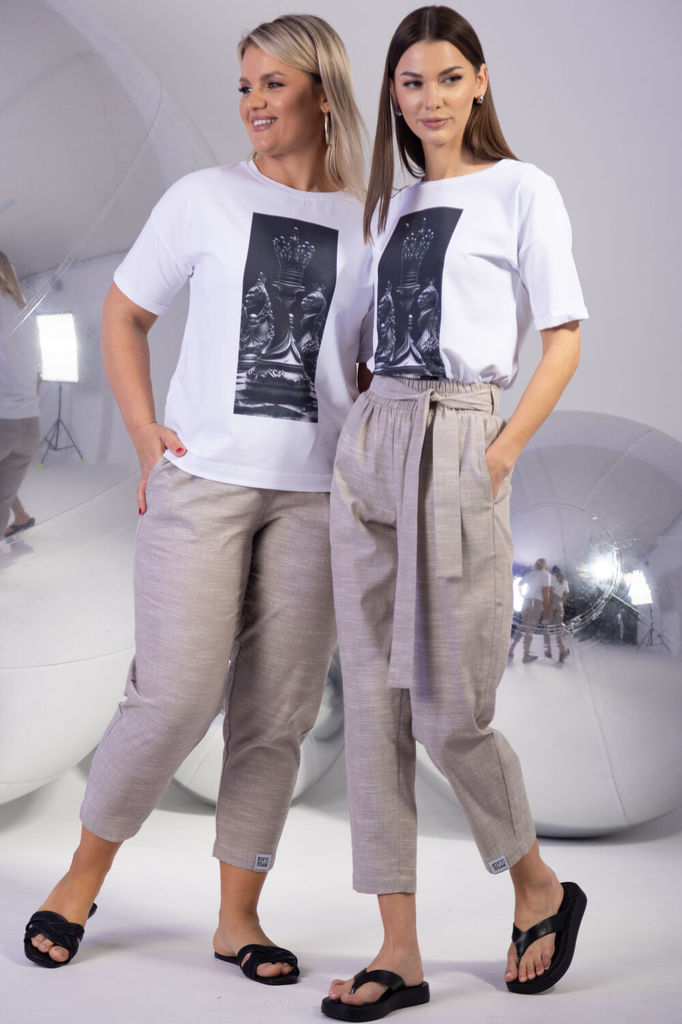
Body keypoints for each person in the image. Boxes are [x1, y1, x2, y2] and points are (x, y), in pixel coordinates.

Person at [23, 14, 372, 983]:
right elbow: (125, 313)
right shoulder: (202, 199)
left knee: (276, 714)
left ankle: (237, 918)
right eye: (245, 86)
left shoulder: (369, 222)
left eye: (274, 84)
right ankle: (81, 879)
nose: (254, 104)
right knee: (171, 698)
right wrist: (145, 432)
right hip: (203, 487)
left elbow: (367, 365)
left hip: (313, 498)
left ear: (323, 94)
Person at [323, 6, 588, 1019]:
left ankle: (537, 885)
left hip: (462, 433)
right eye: (409, 82)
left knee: (449, 710)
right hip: (375, 439)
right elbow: (355, 341)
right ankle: (398, 948)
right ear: (392, 95)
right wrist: (352, 439)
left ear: (479, 79)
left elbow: (563, 336)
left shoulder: (523, 189)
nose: (427, 99)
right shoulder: (386, 205)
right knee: (373, 710)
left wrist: (501, 448)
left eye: (445, 77)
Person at [0, 251, 40, 538]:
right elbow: (38, 377)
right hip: (29, 426)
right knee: (3, 494)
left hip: (3, 422)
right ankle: (21, 516)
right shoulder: (26, 310)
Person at [508, 557, 552, 663]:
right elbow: (545, 591)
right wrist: (546, 606)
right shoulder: (546, 574)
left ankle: (511, 649)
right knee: (530, 629)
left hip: (526, 601)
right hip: (536, 602)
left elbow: (519, 584)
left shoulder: (531, 574)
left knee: (523, 626)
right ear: (544, 565)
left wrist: (523, 595)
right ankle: (526, 655)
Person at [545, 565, 570, 661]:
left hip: (551, 602)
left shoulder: (551, 578)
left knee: (546, 626)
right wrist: (561, 602)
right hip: (559, 603)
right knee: (557, 628)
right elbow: (566, 593)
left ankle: (548, 650)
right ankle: (562, 650)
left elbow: (549, 590)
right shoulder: (564, 580)